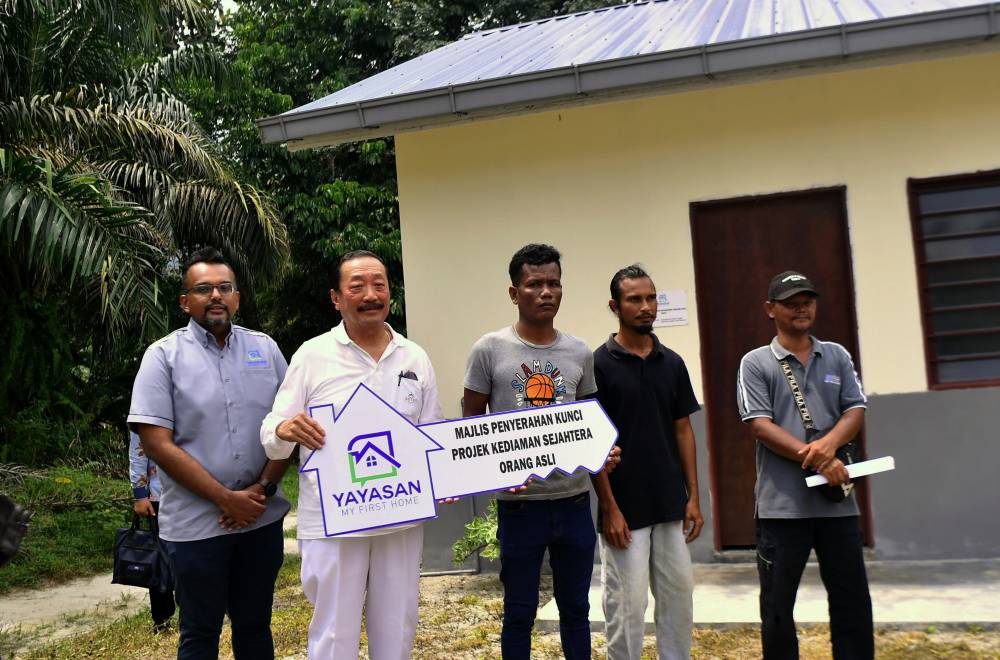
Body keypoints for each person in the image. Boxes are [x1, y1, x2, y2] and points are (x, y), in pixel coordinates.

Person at [260, 250, 443, 660]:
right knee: (333, 635)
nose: (370, 294)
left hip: (400, 516)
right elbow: (272, 429)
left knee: (397, 630)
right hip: (333, 521)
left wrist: (448, 478)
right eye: (357, 286)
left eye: (379, 284)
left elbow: (431, 434)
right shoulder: (312, 354)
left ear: (390, 295)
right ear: (336, 298)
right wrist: (285, 430)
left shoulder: (415, 357)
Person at [129, 247, 291, 660]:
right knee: (199, 633)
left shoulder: (266, 350)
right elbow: (156, 444)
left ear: (237, 297)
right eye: (203, 289)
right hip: (197, 527)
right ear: (186, 301)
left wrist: (262, 490)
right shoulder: (162, 357)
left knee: (255, 627)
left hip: (260, 519)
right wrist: (226, 499)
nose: (215, 296)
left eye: (225, 287)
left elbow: (287, 425)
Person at [464, 243, 615, 660]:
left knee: (576, 610)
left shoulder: (579, 352)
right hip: (520, 508)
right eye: (534, 284)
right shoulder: (489, 350)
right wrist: (493, 476)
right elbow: (472, 424)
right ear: (514, 293)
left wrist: (610, 503)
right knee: (518, 613)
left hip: (572, 502)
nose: (546, 292)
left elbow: (591, 430)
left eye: (553, 283)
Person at [736, 270, 873, 659]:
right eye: (791, 302)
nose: (801, 309)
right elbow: (760, 426)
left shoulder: (836, 355)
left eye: (807, 300)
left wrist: (828, 447)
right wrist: (816, 459)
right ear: (770, 309)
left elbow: (855, 409)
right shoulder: (756, 362)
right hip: (782, 509)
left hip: (838, 506)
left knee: (852, 603)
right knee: (778, 608)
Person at [592, 265, 703, 660]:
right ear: (614, 306)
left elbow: (683, 431)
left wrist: (693, 497)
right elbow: (593, 447)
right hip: (625, 510)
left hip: (670, 504)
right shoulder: (598, 366)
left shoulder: (671, 363)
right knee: (627, 605)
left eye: (651, 298)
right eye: (634, 299)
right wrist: (609, 508)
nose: (645, 307)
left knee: (678, 597)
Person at [128, 429, 176, 631]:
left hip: (198, 492)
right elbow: (138, 452)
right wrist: (140, 495)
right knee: (159, 558)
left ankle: (205, 608)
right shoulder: (146, 408)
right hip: (159, 496)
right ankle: (162, 618)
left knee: (200, 552)